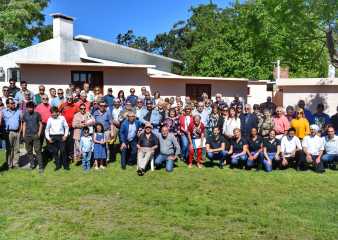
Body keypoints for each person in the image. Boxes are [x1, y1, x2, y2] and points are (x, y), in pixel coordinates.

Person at [22, 101, 43, 172]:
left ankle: (41, 167)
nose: (30, 109)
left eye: (31, 107)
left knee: (38, 151)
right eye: (28, 107)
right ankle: (32, 164)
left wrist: (39, 133)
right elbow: (24, 124)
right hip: (27, 136)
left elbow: (40, 124)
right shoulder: (25, 115)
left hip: (35, 135)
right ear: (27, 108)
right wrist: (23, 135)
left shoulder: (37, 114)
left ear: (33, 107)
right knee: (29, 151)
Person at [1, 98, 22, 169]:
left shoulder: (18, 111)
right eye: (11, 103)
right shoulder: (3, 111)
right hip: (8, 133)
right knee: (9, 149)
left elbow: (21, 122)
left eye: (13, 103)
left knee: (17, 149)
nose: (13, 104)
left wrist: (20, 131)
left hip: (17, 132)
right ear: (7, 104)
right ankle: (9, 164)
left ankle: (15, 164)